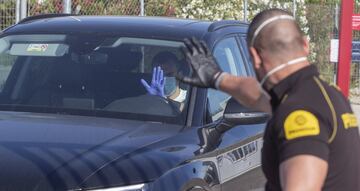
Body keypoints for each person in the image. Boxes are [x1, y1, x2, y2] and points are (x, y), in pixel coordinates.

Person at [177, 8, 360, 191]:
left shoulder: (298, 113)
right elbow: (257, 96)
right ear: (305, 45)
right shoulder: (326, 95)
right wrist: (219, 78)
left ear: (255, 57)